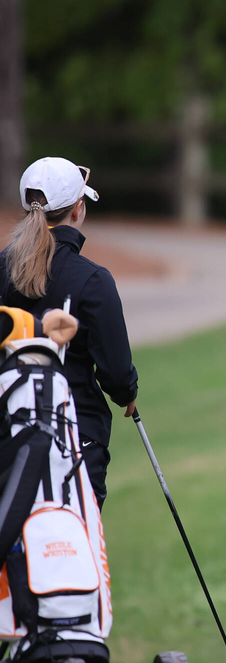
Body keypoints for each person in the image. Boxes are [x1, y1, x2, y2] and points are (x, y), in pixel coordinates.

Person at [0, 157, 138, 507]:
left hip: (7, 433)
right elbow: (117, 375)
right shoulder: (93, 279)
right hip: (75, 440)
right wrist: (127, 394)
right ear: (78, 209)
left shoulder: (2, 268)